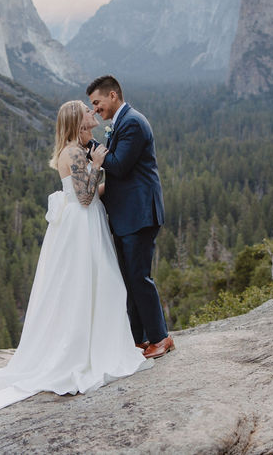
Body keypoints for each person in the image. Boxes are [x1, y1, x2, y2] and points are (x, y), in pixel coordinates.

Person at [0, 101, 151, 426]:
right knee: (94, 282)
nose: (91, 112)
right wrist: (97, 165)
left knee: (94, 283)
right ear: (76, 120)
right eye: (86, 110)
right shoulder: (77, 153)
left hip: (82, 223)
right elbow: (85, 195)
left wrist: (112, 179)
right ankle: (86, 349)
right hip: (82, 225)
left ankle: (92, 342)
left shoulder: (75, 149)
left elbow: (86, 192)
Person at [87, 75, 174, 359]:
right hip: (127, 214)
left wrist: (89, 146)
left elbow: (120, 166)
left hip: (140, 213)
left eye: (97, 103)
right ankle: (138, 339)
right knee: (130, 279)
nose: (96, 109)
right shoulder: (121, 124)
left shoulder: (133, 123)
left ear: (113, 96)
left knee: (139, 277)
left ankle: (161, 338)